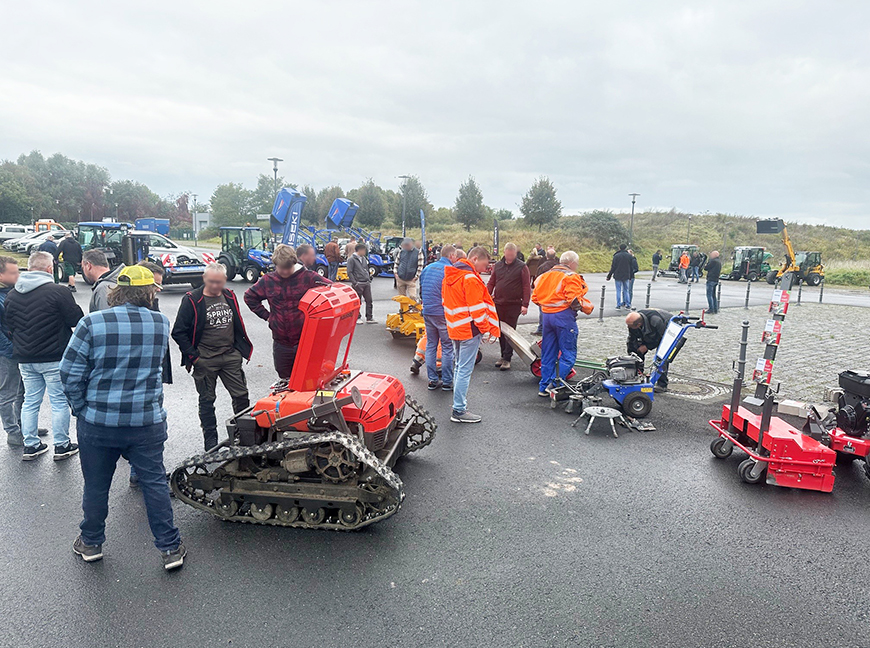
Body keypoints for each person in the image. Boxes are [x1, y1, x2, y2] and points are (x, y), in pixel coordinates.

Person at [60, 265, 186, 570]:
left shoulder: (91, 323)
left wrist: (81, 408)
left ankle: (91, 542)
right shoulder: (159, 323)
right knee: (154, 483)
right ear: (149, 293)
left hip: (99, 422)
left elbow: (70, 373)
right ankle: (170, 548)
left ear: (117, 290)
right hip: (146, 421)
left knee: (96, 485)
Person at [5, 251, 83, 460]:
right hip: (54, 355)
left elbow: (10, 325)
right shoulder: (58, 292)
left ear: (29, 268)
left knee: (30, 400)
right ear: (49, 269)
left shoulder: (12, 294)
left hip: (25, 357)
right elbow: (76, 319)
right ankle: (62, 445)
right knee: (58, 401)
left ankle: (30, 445)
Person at [172, 263, 252, 451]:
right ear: (204, 279)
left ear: (225, 279)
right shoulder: (192, 299)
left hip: (230, 356)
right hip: (205, 359)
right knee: (207, 401)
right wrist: (194, 357)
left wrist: (239, 351)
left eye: (219, 282)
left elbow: (237, 324)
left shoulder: (230, 295)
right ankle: (210, 441)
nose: (215, 286)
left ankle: (243, 436)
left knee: (241, 396)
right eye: (211, 282)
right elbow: (178, 331)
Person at [244, 244, 330, 378]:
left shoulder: (309, 277)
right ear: (275, 265)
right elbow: (249, 297)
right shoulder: (268, 280)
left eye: (288, 268)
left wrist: (319, 319)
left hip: (305, 340)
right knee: (284, 379)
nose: (284, 272)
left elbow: (331, 290)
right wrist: (268, 317)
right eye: (281, 268)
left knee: (308, 378)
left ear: (294, 263)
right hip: (281, 342)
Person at [442, 246, 499, 424]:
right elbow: (477, 310)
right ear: (474, 259)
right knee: (464, 370)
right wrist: (486, 328)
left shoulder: (450, 275)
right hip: (470, 330)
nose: (485, 268)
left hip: (455, 328)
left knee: (459, 367)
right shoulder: (470, 279)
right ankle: (459, 410)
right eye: (484, 264)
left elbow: (447, 302)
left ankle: (458, 407)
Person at [0, 256, 47, 446]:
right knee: (8, 392)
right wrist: (11, 349)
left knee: (23, 390)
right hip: (7, 352)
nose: (17, 276)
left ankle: (25, 426)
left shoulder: (13, 291)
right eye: (13, 273)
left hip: (21, 349)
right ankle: (12, 431)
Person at [531, 251, 592, 396]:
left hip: (547, 317)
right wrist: (588, 307)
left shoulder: (543, 277)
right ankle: (554, 385)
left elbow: (535, 298)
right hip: (564, 317)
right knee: (568, 353)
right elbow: (574, 301)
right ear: (572, 263)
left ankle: (544, 387)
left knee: (548, 352)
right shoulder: (570, 276)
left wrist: (548, 305)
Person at [486, 242, 530, 371]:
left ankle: (507, 358)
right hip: (499, 303)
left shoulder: (522, 267)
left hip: (514, 304)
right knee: (500, 331)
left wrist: (525, 304)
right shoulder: (498, 266)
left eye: (512, 255)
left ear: (515, 253)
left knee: (510, 332)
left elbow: (526, 286)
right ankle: (502, 355)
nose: (510, 257)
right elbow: (491, 282)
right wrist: (486, 297)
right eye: (508, 254)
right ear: (504, 253)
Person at [419, 244, 456, 390]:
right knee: (447, 347)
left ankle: (432, 380)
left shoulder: (428, 268)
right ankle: (447, 381)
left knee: (431, 345)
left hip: (428, 311)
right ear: (451, 256)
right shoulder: (449, 270)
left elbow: (421, 288)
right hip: (442, 313)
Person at [625, 309, 673, 393]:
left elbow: (663, 339)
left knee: (662, 356)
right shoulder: (634, 322)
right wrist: (632, 355)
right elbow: (632, 339)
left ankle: (662, 384)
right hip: (649, 332)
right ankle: (637, 376)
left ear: (639, 324)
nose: (628, 327)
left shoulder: (656, 321)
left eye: (630, 326)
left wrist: (647, 346)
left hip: (666, 330)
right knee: (636, 351)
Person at [532, 247, 558, 336]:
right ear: (555, 256)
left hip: (544, 292)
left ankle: (541, 328)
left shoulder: (542, 267)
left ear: (546, 256)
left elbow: (537, 281)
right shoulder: (559, 267)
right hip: (556, 293)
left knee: (543, 311)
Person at [347, 243, 376, 324]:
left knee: (369, 300)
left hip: (366, 282)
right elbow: (349, 272)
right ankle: (357, 317)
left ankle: (369, 317)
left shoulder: (364, 259)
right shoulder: (351, 259)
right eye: (364, 250)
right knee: (357, 302)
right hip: (358, 283)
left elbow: (366, 269)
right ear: (359, 250)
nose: (365, 252)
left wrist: (369, 278)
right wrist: (354, 282)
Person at [606, 244, 633, 310]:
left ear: (619, 248)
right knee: (626, 290)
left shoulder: (616, 256)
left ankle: (618, 305)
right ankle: (628, 304)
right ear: (625, 248)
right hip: (626, 275)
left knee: (618, 290)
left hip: (618, 275)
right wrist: (630, 276)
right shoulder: (629, 256)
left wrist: (609, 275)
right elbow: (631, 267)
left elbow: (613, 267)